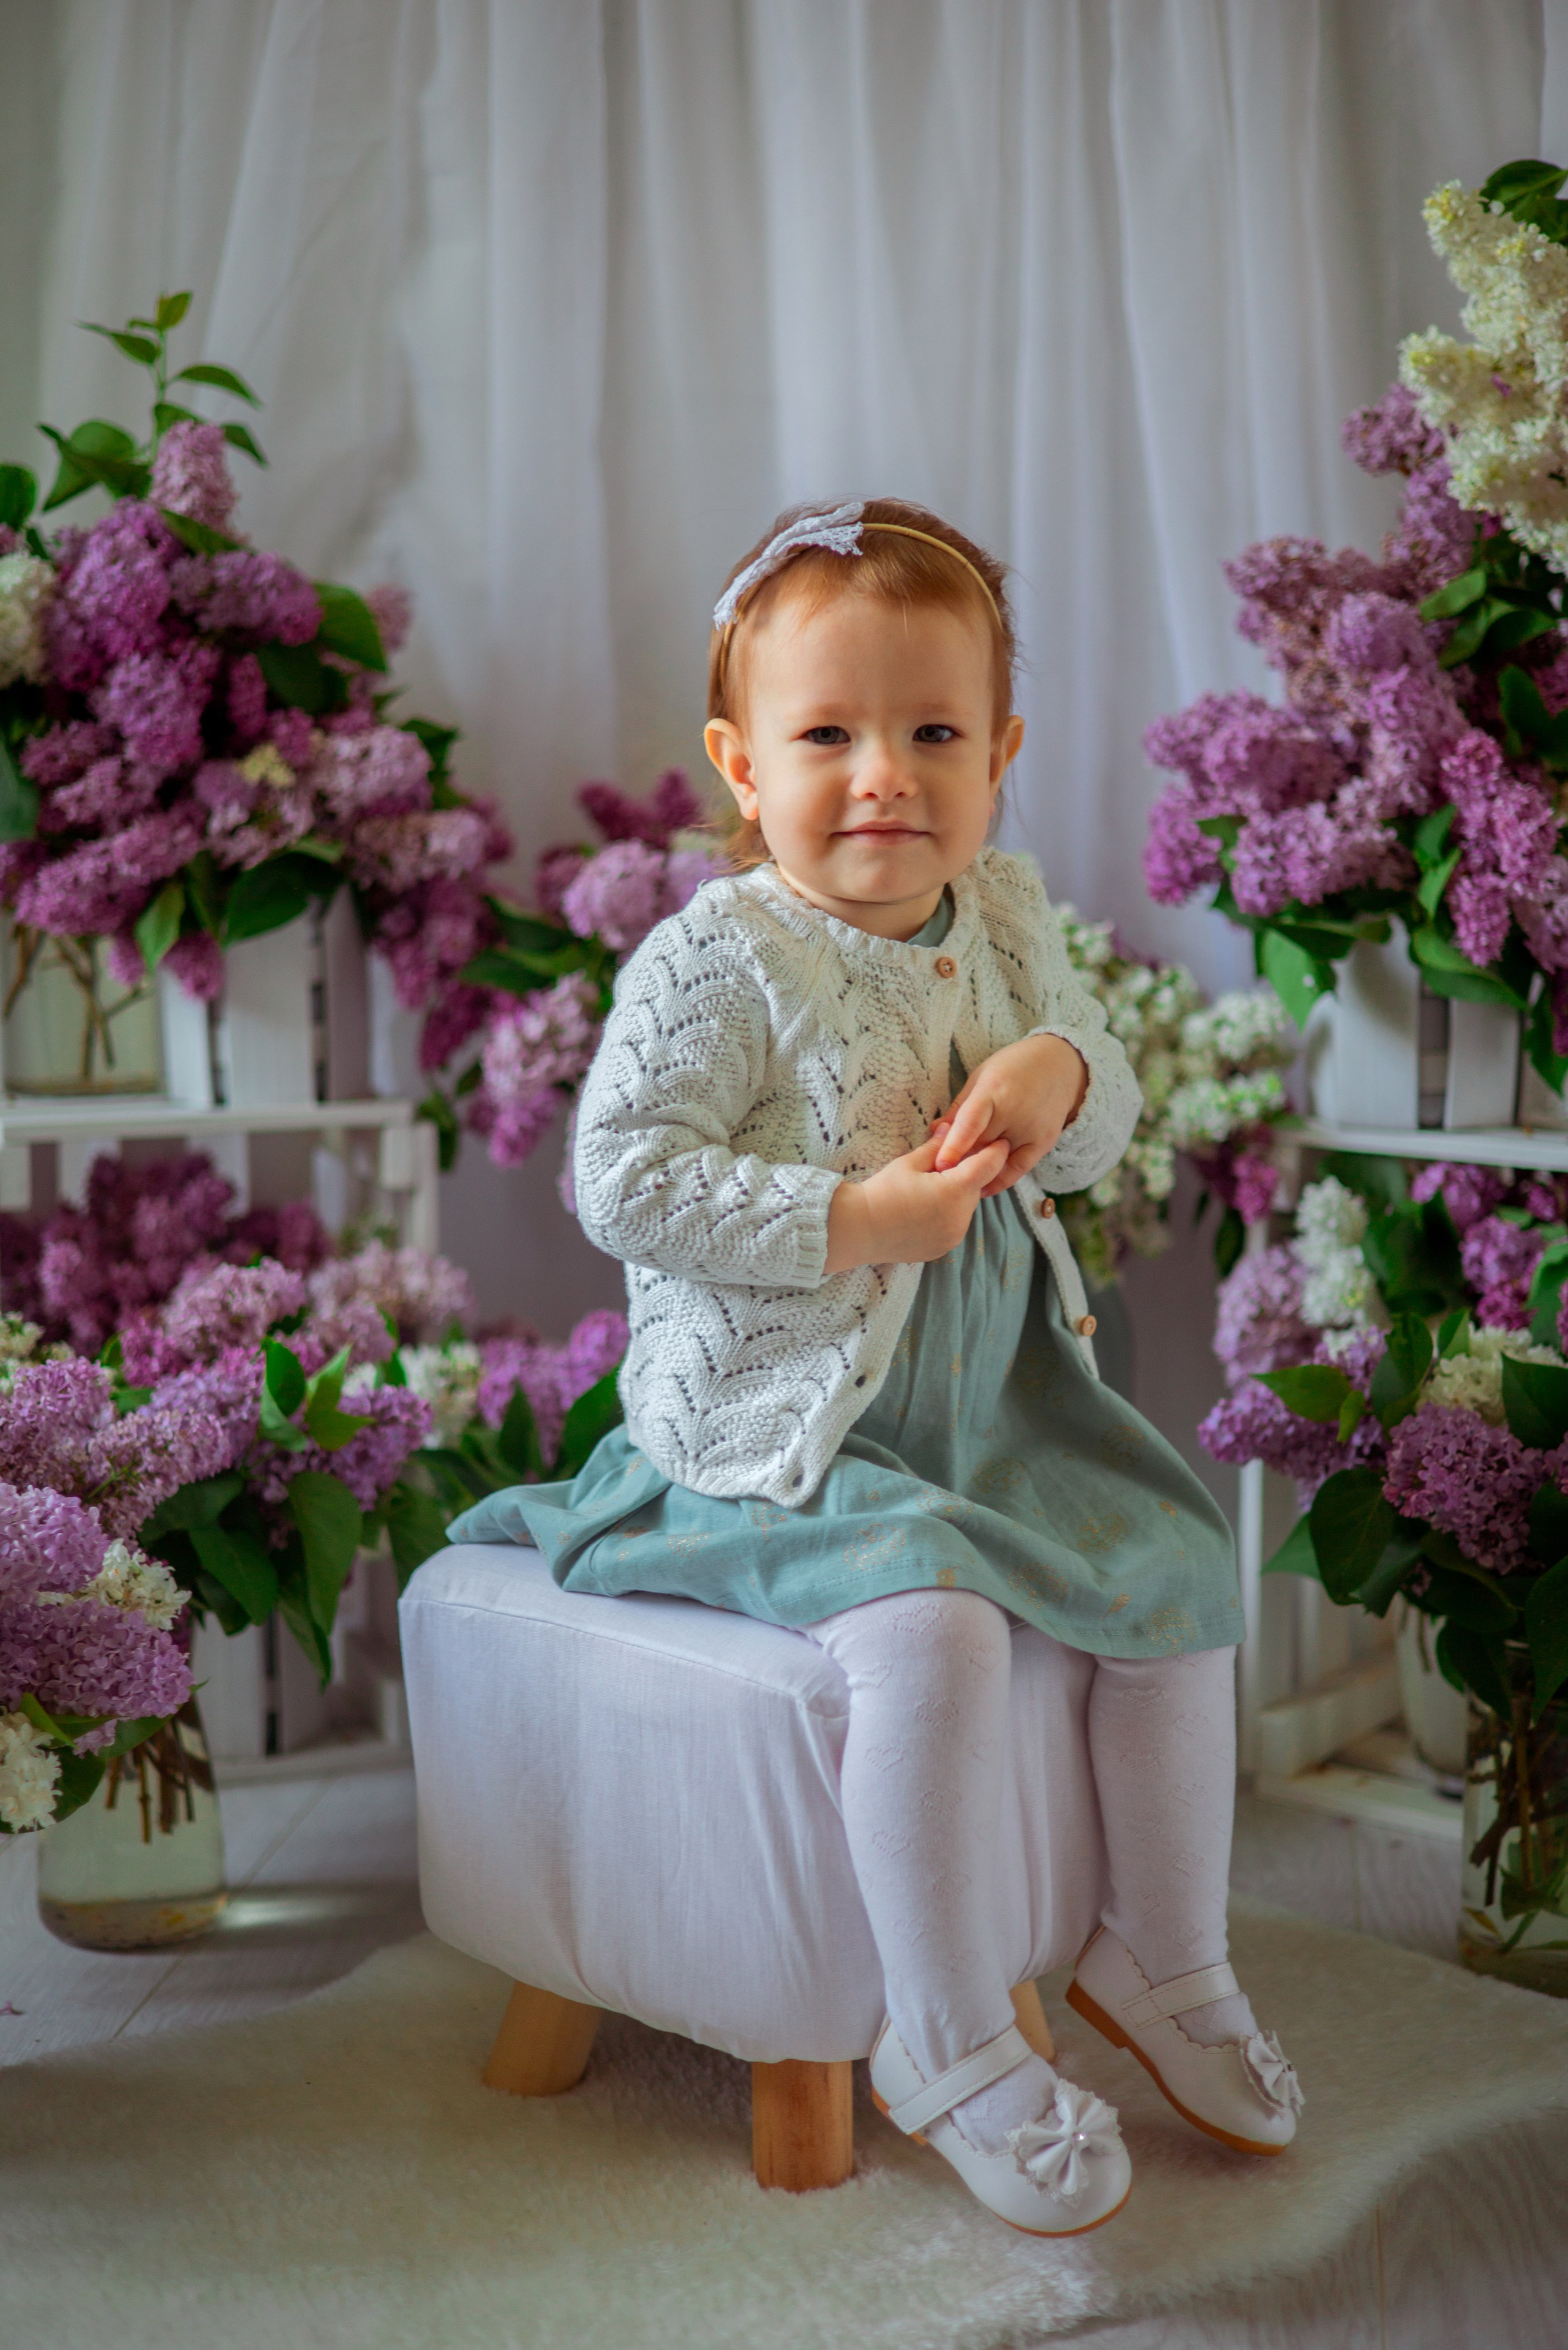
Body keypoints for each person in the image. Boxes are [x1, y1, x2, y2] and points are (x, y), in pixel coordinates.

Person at [452, 497, 1302, 2234]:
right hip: (783, 1425)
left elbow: (1096, 1109)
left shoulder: (997, 912)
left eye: (931, 734)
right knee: (931, 1629)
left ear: (998, 755)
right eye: (827, 735)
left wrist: (1059, 1072)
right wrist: (848, 1216)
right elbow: (624, 1177)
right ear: (740, 765)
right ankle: (947, 2036)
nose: (884, 777)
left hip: (989, 1397)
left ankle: (1168, 1954)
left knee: (1177, 1565)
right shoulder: (715, 958)